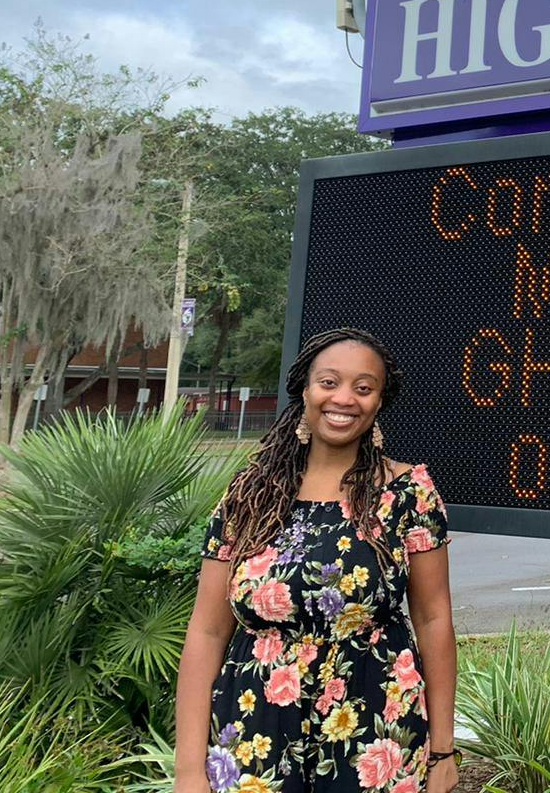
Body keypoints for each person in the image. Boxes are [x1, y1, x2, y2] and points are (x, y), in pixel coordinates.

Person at [173, 328, 461, 793]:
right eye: (329, 382)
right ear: (305, 389)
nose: (344, 398)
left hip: (375, 728)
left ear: (379, 402)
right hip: (253, 730)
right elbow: (207, 631)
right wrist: (188, 770)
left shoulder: (408, 493)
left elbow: (433, 618)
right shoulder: (250, 494)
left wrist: (443, 751)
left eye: (363, 388)